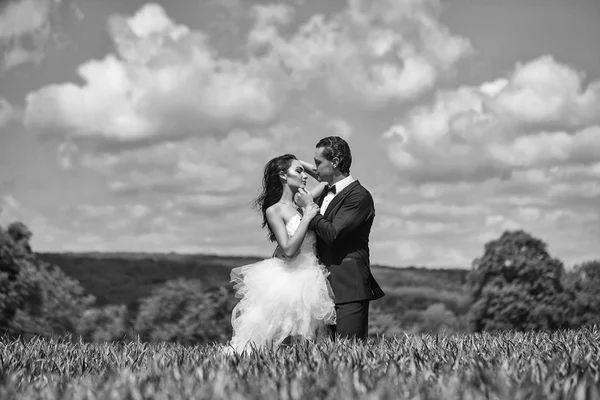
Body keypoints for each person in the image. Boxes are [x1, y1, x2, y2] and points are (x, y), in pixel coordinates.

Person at [227, 154, 336, 354]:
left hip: (313, 278)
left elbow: (327, 179)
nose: (305, 176)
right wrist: (307, 217)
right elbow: (289, 251)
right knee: (282, 344)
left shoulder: (303, 203)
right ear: (283, 176)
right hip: (290, 281)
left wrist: (297, 161)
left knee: (309, 348)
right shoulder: (275, 210)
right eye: (299, 171)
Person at [296, 136, 385, 341]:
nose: (315, 168)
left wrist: (309, 209)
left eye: (318, 162)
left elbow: (333, 234)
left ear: (335, 162)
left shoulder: (359, 196)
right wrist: (296, 163)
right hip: (321, 290)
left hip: (348, 289)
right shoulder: (326, 189)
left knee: (349, 353)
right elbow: (320, 174)